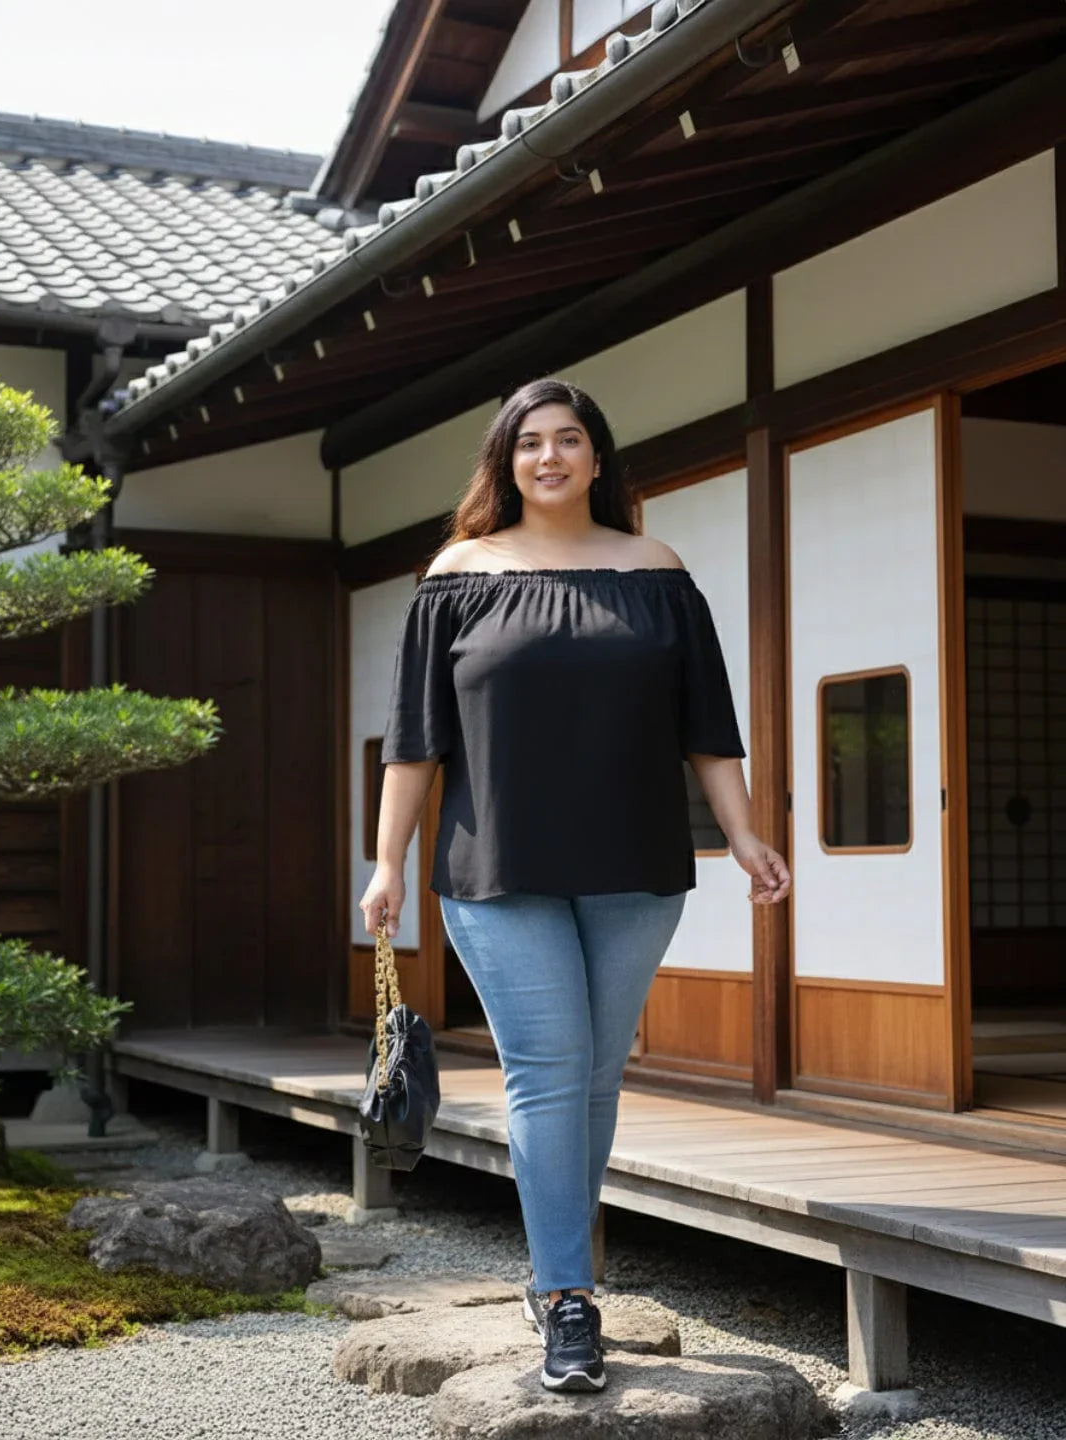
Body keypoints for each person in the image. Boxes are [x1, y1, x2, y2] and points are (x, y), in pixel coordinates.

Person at [359, 378, 791, 1394]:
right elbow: (417, 742)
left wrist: (744, 833)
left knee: (596, 1075)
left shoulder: (657, 573)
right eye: (529, 443)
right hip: (495, 869)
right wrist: (386, 862)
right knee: (549, 1071)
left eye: (569, 440)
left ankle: (561, 1271)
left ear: (600, 458)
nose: (549, 457)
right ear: (505, 463)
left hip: (636, 867)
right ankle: (567, 1298)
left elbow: (706, 728)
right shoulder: (459, 574)